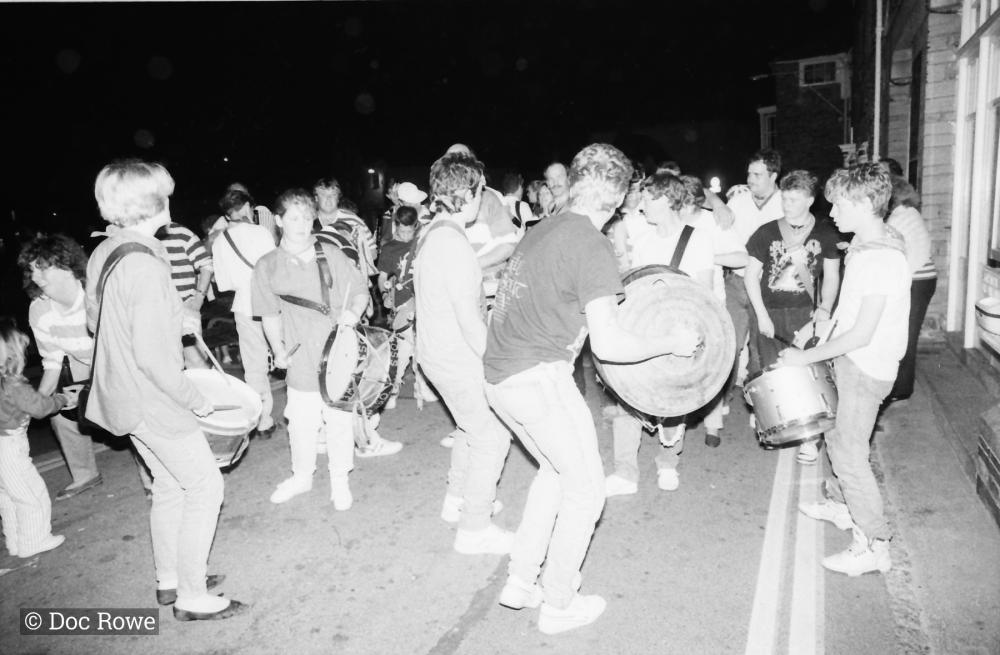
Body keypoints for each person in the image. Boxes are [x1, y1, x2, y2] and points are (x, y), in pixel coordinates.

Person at [484, 143, 700, 634]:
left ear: (577, 181)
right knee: (586, 491)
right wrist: (671, 340)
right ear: (620, 197)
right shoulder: (590, 242)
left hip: (499, 376)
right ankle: (560, 602)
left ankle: (522, 578)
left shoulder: (543, 228)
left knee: (555, 473)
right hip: (537, 377)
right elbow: (608, 344)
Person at [86, 159, 247, 620]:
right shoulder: (147, 266)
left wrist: (175, 316)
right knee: (204, 486)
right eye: (166, 194)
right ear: (155, 202)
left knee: (170, 487)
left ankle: (171, 578)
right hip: (152, 400)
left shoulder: (106, 251)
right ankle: (193, 597)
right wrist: (198, 401)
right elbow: (156, 361)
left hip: (120, 394)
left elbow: (98, 321)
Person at [784, 163, 910, 576]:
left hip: (865, 366)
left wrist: (806, 358)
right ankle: (841, 506)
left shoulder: (880, 259)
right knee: (839, 439)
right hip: (855, 362)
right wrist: (822, 328)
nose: (831, 213)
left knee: (850, 455)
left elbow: (863, 334)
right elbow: (851, 314)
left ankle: (873, 544)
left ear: (859, 203)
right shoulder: (874, 243)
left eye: (837, 205)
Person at [253, 189, 401, 510]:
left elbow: (360, 292)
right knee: (302, 424)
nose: (302, 224)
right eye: (294, 218)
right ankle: (302, 477)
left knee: (338, 421)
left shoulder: (331, 253)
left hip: (340, 354)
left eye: (307, 217)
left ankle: (339, 481)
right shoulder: (267, 265)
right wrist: (277, 348)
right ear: (278, 221)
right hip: (300, 359)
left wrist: (351, 314)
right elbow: (268, 314)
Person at [414, 151, 514, 555]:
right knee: (492, 435)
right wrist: (497, 360)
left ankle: (457, 500)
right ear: (464, 193)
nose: (483, 198)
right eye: (480, 191)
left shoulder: (432, 232)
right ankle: (475, 527)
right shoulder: (453, 244)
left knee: (470, 429)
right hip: (455, 356)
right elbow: (470, 320)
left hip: (436, 353)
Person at [605, 173, 716, 497]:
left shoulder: (697, 240)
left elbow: (704, 293)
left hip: (681, 329)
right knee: (627, 393)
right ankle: (625, 472)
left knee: (673, 400)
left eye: (649, 199)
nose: (642, 206)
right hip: (647, 330)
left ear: (667, 201)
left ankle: (668, 462)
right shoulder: (645, 242)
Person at [744, 170, 840, 464]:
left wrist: (823, 312)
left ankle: (809, 440)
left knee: (806, 375)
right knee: (770, 370)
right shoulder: (766, 232)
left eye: (794, 199)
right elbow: (750, 276)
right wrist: (761, 314)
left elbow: (833, 277)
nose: (786, 204)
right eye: (784, 198)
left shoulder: (825, 234)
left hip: (805, 313)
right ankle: (773, 417)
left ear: (810, 200)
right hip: (769, 311)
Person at [18, 234, 103, 500]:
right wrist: (38, 403)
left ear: (67, 266)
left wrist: (101, 386)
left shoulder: (97, 293)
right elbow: (53, 362)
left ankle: (151, 475)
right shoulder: (39, 310)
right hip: (81, 361)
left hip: (117, 357)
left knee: (127, 407)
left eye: (42, 267)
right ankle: (85, 473)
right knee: (59, 408)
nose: (36, 276)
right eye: (32, 270)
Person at [0, 318, 73, 558]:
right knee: (31, 494)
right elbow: (40, 407)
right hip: (8, 449)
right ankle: (34, 540)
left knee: (9, 498)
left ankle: (16, 541)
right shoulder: (14, 385)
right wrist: (62, 400)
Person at [212, 187, 278, 438]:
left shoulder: (220, 241)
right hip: (271, 301)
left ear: (228, 214)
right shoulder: (260, 232)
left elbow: (224, 284)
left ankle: (263, 420)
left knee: (254, 366)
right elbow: (275, 267)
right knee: (287, 351)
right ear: (248, 207)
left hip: (243, 305)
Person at [726, 148, 785, 403]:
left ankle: (761, 404)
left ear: (773, 176)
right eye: (749, 173)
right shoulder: (738, 200)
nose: (750, 179)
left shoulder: (785, 202)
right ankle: (722, 401)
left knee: (760, 346)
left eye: (757, 174)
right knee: (730, 342)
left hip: (767, 285)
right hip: (737, 282)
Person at [884, 175, 936, 401]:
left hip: (918, 280)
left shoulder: (901, 217)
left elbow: (889, 246)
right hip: (920, 279)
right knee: (905, 333)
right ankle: (900, 385)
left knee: (907, 335)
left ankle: (902, 388)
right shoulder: (907, 213)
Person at [376, 205, 419, 410]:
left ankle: (419, 387)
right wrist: (385, 294)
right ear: (396, 226)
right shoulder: (389, 248)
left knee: (414, 346)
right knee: (406, 348)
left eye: (410, 231)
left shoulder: (421, 244)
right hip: (402, 303)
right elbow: (382, 277)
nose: (406, 235)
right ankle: (394, 389)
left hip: (422, 302)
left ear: (416, 227)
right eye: (402, 231)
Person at [156, 220, 214, 369]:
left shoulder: (182, 233)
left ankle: (206, 391)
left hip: (185, 308)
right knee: (166, 366)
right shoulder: (140, 238)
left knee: (195, 360)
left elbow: (206, 264)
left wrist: (199, 297)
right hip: (155, 310)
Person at [314, 177, 378, 278]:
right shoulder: (307, 221)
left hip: (350, 280)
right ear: (316, 198)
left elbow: (372, 253)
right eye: (323, 195)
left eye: (333, 194)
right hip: (318, 280)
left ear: (338, 197)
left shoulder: (354, 221)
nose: (328, 199)